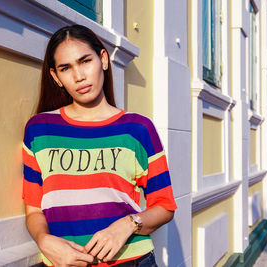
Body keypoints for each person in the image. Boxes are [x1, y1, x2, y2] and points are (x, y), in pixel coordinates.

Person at [22, 24, 177, 267]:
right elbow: (33, 211)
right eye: (66, 68)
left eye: (85, 61)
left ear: (103, 59)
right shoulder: (39, 130)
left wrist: (127, 225)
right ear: (56, 77)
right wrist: (43, 239)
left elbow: (165, 206)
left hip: (132, 262)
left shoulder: (138, 128)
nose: (79, 76)